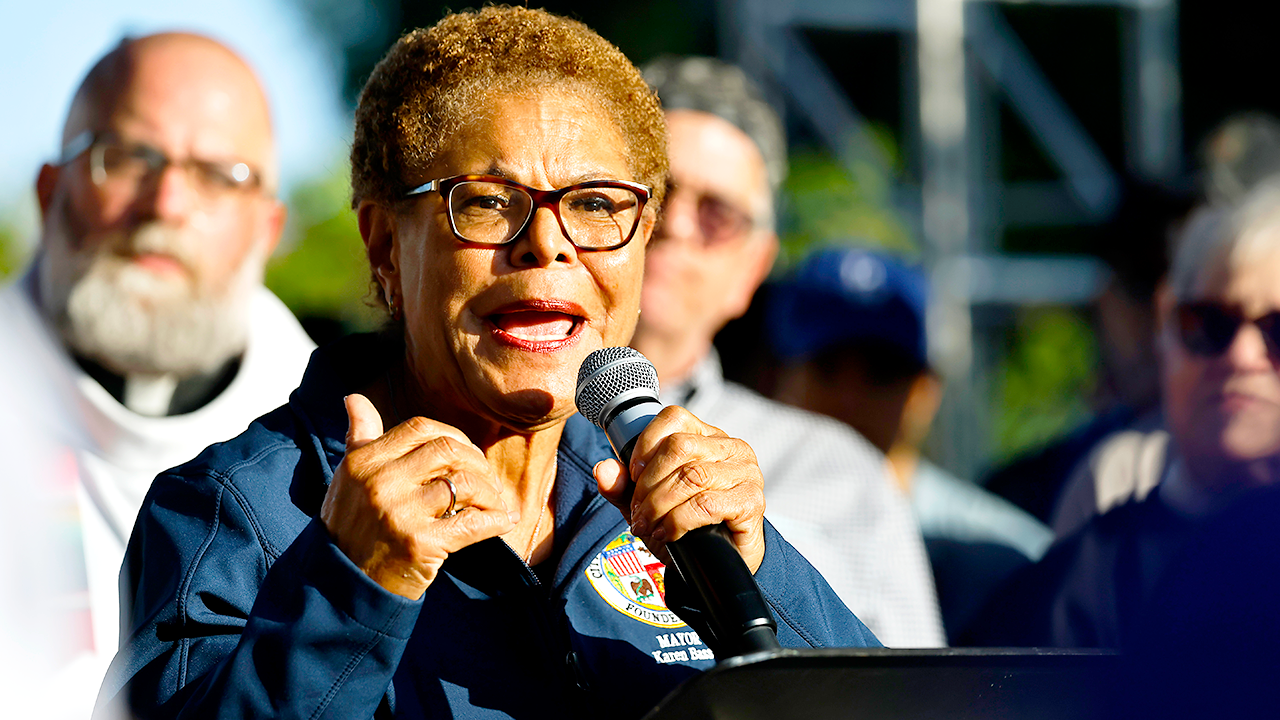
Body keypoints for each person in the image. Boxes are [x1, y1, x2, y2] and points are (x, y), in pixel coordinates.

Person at [97, 9, 878, 719]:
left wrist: (758, 571)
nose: (547, 244)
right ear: (384, 247)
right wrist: (348, 591)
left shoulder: (672, 511)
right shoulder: (233, 515)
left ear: (644, 244)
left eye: (596, 204)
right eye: (486, 202)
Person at [0, 33, 313, 717]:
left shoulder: (329, 446)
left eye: (219, 175)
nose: (166, 202)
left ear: (267, 229)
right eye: (126, 156)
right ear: (50, 190)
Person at [633, 56, 945, 647]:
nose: (676, 225)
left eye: (717, 214)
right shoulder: (496, 424)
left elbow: (917, 688)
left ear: (753, 267)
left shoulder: (845, 475)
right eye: (654, 193)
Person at [965, 180, 1280, 647]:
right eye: (1208, 324)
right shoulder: (1071, 588)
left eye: (1278, 330)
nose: (1242, 356)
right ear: (1165, 330)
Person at [767, 248, 1055, 643]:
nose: (849, 397)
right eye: (826, 367)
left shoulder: (1007, 550)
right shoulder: (744, 514)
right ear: (780, 376)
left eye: (881, 372)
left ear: (926, 391)